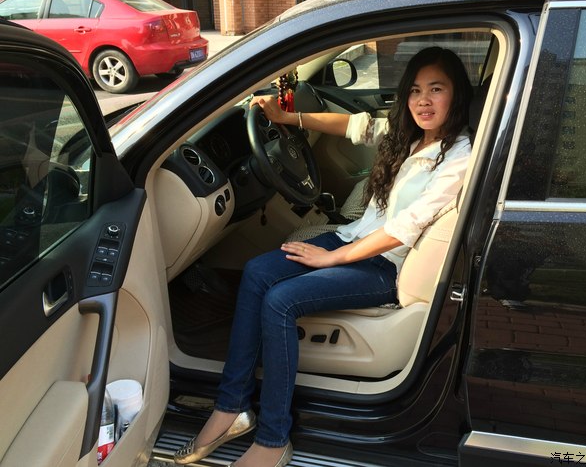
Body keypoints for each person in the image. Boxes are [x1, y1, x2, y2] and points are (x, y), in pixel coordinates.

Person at [174, 46, 473, 467]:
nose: (423, 100)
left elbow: (405, 228)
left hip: (385, 265)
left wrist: (334, 258)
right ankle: (232, 407)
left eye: (436, 89)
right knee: (257, 271)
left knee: (281, 300)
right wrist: (286, 118)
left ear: (456, 95)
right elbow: (353, 125)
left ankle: (274, 438)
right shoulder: (407, 135)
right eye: (415, 90)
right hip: (353, 237)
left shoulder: (460, 155)